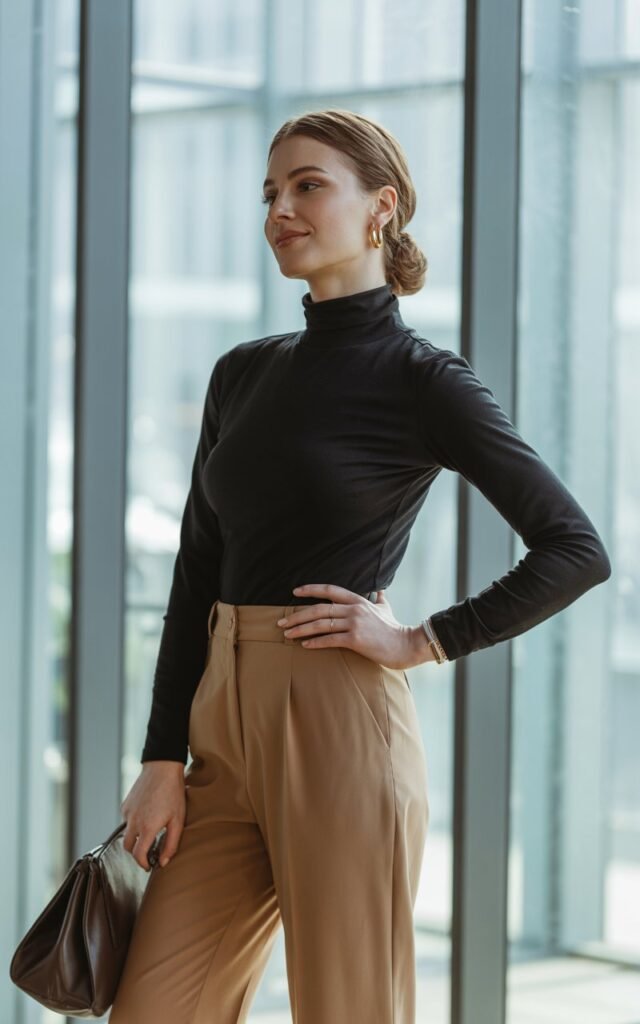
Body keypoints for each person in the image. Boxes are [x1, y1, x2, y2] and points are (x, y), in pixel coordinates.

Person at [108, 109, 611, 1024]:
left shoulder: (423, 379)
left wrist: (423, 640)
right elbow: (197, 570)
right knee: (154, 1007)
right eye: (271, 191)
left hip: (340, 719)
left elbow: (574, 548)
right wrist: (160, 757)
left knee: (351, 1009)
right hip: (221, 724)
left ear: (382, 207)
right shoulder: (240, 374)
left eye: (308, 186)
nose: (280, 210)